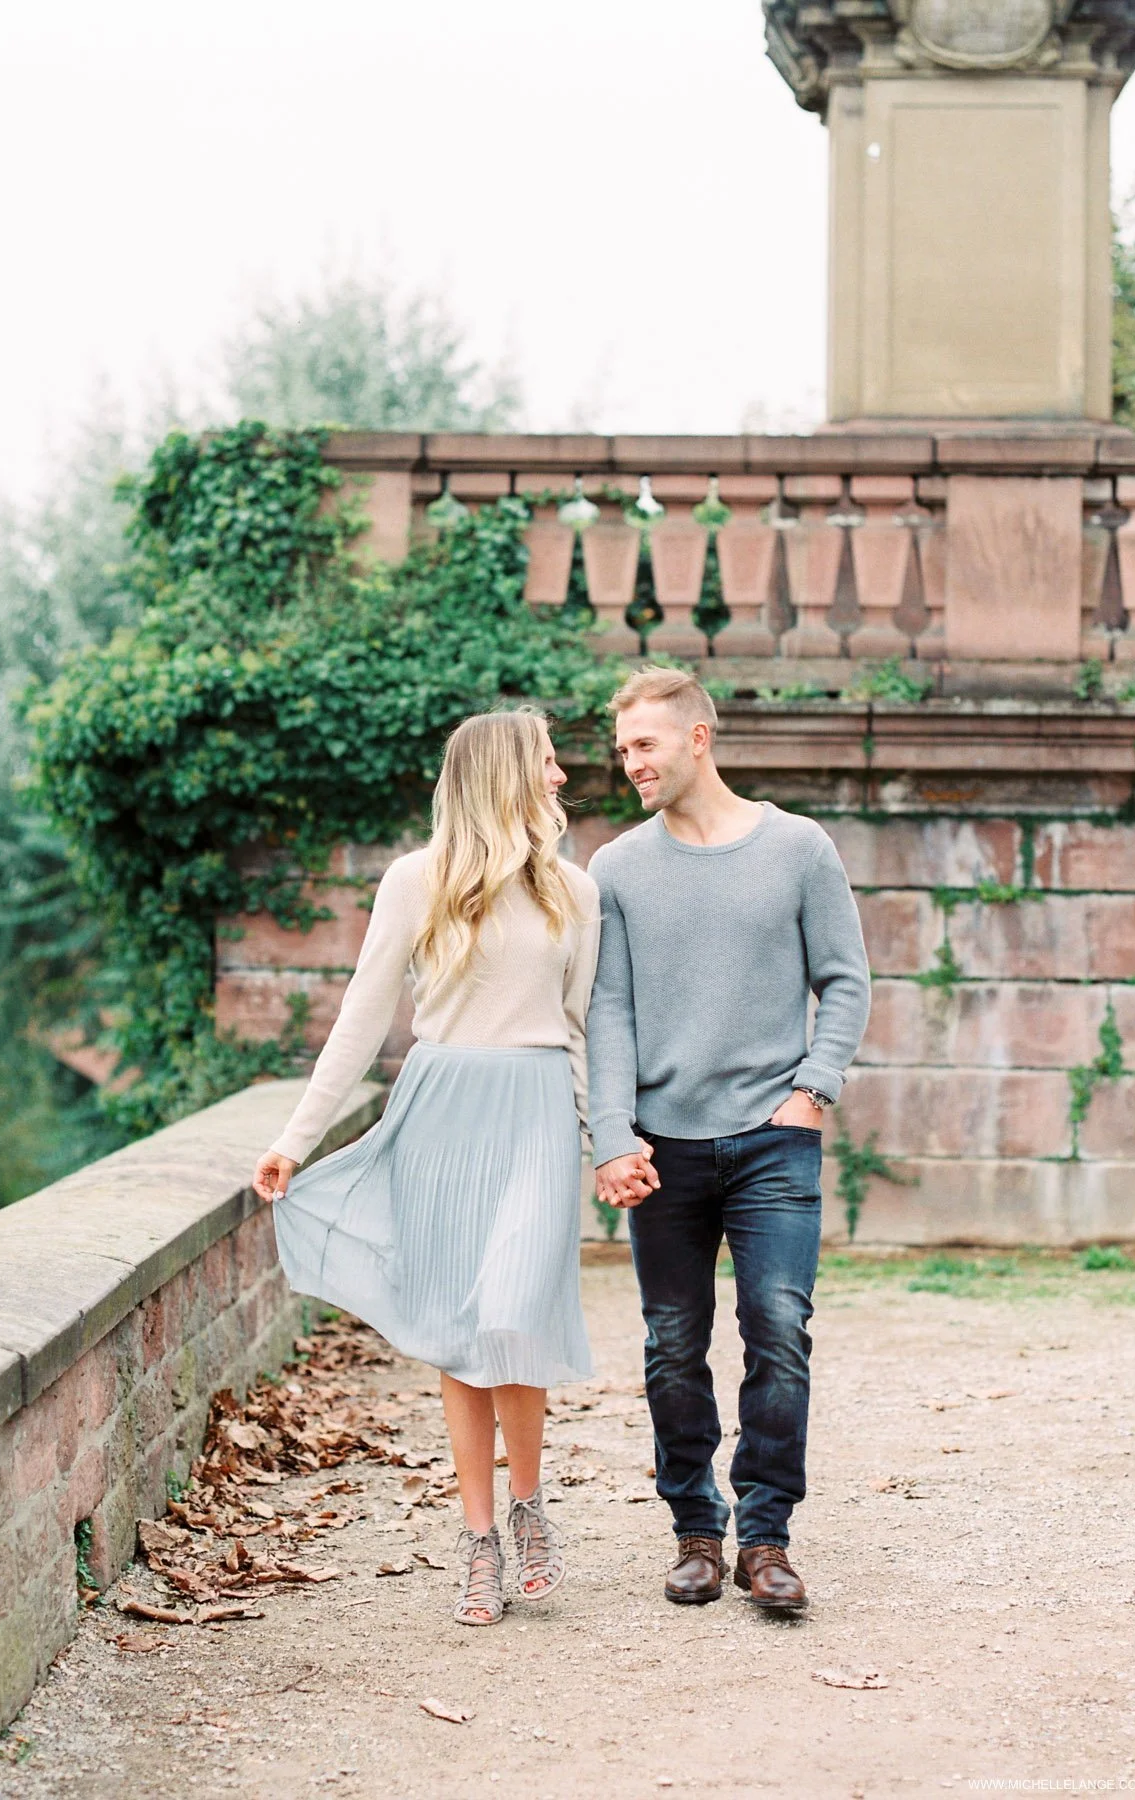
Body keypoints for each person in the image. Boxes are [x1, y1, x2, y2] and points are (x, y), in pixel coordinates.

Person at [251, 708, 602, 1628]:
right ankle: (479, 1538)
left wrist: (605, 1141)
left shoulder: (575, 890)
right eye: (548, 763)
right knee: (460, 1330)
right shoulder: (417, 881)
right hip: (441, 1113)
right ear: (501, 774)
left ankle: (530, 1506)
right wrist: (296, 1138)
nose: (562, 778)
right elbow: (363, 1020)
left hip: (533, 1117)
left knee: (514, 1315)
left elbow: (576, 1029)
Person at [587, 666, 870, 1611]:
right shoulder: (617, 868)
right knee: (672, 1342)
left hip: (773, 1140)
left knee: (779, 1331)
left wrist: (813, 1091)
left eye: (645, 744)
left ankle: (768, 1540)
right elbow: (609, 1010)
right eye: (622, 747)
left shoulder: (797, 848)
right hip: (662, 1147)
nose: (630, 762)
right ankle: (696, 1533)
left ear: (697, 738)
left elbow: (845, 980)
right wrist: (611, 1134)